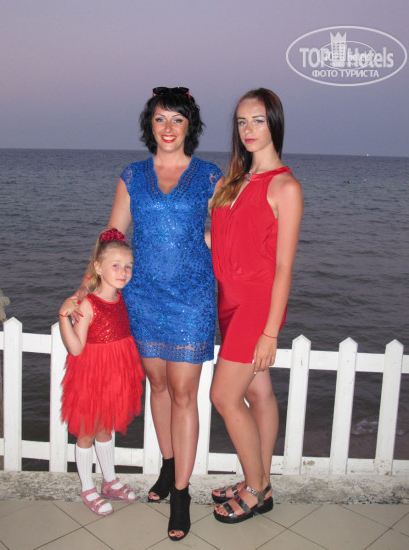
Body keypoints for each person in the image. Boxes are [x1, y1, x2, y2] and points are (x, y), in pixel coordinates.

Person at [75, 87, 223, 540]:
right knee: (157, 385)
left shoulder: (209, 175)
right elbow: (113, 236)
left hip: (192, 298)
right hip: (141, 297)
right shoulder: (132, 175)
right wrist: (85, 288)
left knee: (184, 393)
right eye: (160, 119)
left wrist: (205, 251)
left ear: (190, 126)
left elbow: (226, 235)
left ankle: (181, 495)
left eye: (177, 119)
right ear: (150, 125)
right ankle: (168, 467)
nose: (168, 128)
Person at [209, 88, 303, 523]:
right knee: (257, 392)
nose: (248, 129)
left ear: (274, 124)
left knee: (224, 396)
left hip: (256, 304)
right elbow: (224, 241)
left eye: (258, 120)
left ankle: (256, 487)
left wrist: (270, 333)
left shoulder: (285, 186)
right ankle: (260, 480)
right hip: (227, 301)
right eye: (242, 122)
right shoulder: (233, 181)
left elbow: (283, 267)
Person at [59, 228, 145, 516]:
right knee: (86, 432)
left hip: (116, 375)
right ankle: (87, 488)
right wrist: (63, 317)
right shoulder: (88, 304)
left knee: (106, 428)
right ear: (98, 267)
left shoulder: (120, 299)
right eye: (116, 265)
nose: (123, 272)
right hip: (91, 376)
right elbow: (76, 348)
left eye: (128, 266)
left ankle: (109, 481)